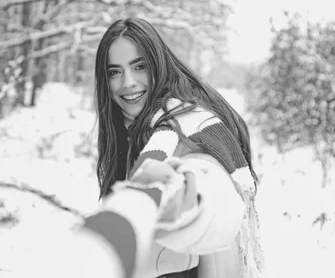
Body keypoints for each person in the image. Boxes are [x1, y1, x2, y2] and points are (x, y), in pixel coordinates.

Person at [75, 17, 264, 278]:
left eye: (139, 66)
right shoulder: (138, 128)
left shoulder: (187, 127)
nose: (127, 82)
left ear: (157, 63)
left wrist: (189, 200)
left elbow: (208, 180)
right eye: (114, 71)